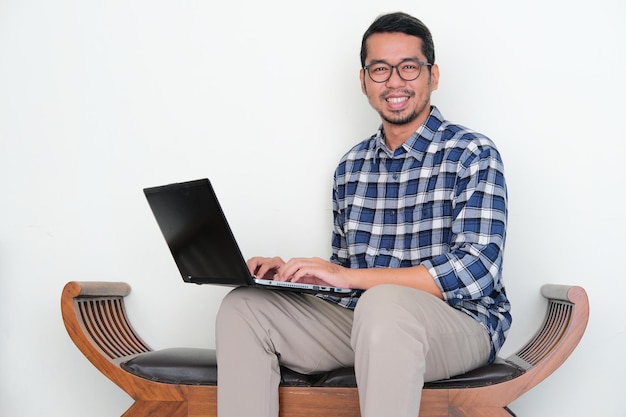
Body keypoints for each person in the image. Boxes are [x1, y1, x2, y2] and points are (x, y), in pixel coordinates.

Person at [215, 11, 511, 417]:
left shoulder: (473, 153)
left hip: (462, 325)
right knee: (244, 307)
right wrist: (294, 278)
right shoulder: (350, 167)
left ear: (433, 75)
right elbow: (345, 280)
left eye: (408, 67)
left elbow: (477, 271)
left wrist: (351, 279)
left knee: (384, 303)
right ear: (363, 81)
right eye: (379, 69)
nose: (394, 81)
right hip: (368, 323)